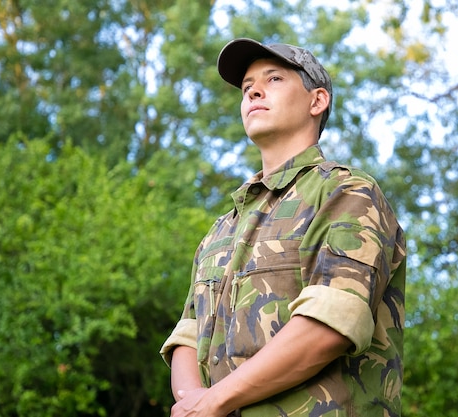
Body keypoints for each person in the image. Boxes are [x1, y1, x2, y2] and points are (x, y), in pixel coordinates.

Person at [160, 38, 407, 417]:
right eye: (247, 88)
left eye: (274, 79)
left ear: (317, 101)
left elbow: (328, 326)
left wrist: (213, 401)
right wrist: (193, 403)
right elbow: (188, 335)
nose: (254, 90)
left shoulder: (346, 193)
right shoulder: (221, 229)